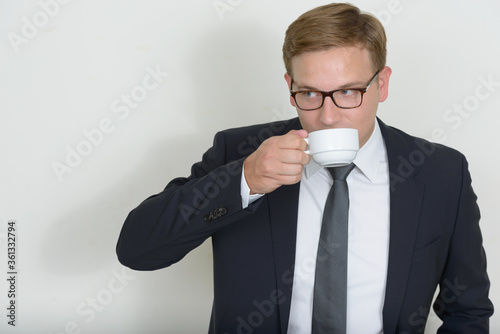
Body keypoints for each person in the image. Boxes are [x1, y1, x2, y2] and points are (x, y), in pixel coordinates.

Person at [116, 3, 493, 333]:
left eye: (348, 92)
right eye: (309, 93)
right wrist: (244, 179)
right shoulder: (240, 152)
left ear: (382, 83)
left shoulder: (442, 173)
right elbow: (136, 250)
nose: (327, 117)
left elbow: (467, 309)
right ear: (290, 85)